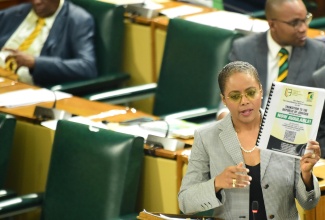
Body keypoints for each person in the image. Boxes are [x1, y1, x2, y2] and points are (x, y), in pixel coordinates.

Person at [178, 61, 321, 220]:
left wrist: (306, 174)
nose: (244, 101)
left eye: (251, 92)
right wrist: (217, 183)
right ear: (224, 100)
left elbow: (309, 203)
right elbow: (185, 202)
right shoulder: (205, 137)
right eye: (235, 96)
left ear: (261, 91)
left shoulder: (286, 131)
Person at [225, 0, 325, 158]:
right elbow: (229, 99)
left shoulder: (319, 55)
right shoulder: (244, 50)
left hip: (297, 148)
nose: (303, 28)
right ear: (272, 24)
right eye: (295, 23)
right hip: (249, 139)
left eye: (306, 19)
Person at [0, 0, 97, 87]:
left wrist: (35, 62)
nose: (36, 2)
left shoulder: (78, 20)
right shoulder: (16, 13)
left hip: (28, 87)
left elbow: (87, 67)